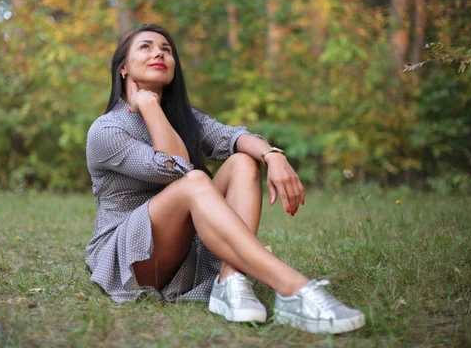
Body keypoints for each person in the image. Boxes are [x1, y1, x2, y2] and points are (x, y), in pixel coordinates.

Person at [85, 24, 365, 334]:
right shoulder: (107, 131)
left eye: (166, 49)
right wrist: (149, 105)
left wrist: (274, 156)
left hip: (183, 251)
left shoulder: (185, 117)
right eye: (146, 47)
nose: (159, 53)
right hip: (130, 261)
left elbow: (234, 136)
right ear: (123, 67)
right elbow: (176, 168)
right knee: (193, 182)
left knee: (243, 162)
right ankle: (293, 288)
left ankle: (230, 281)